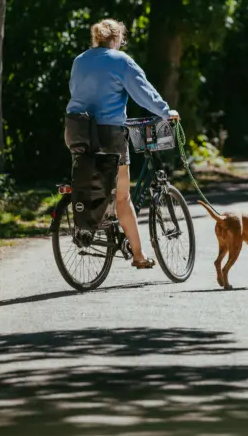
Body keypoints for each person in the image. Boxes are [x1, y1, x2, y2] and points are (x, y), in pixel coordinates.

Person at [66, 18, 179, 269]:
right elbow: (143, 91)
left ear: (97, 38)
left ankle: (93, 226)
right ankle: (138, 256)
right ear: (116, 39)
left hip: (77, 128)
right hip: (108, 132)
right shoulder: (121, 61)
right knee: (123, 196)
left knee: (89, 177)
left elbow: (76, 91)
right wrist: (164, 111)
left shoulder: (79, 60)